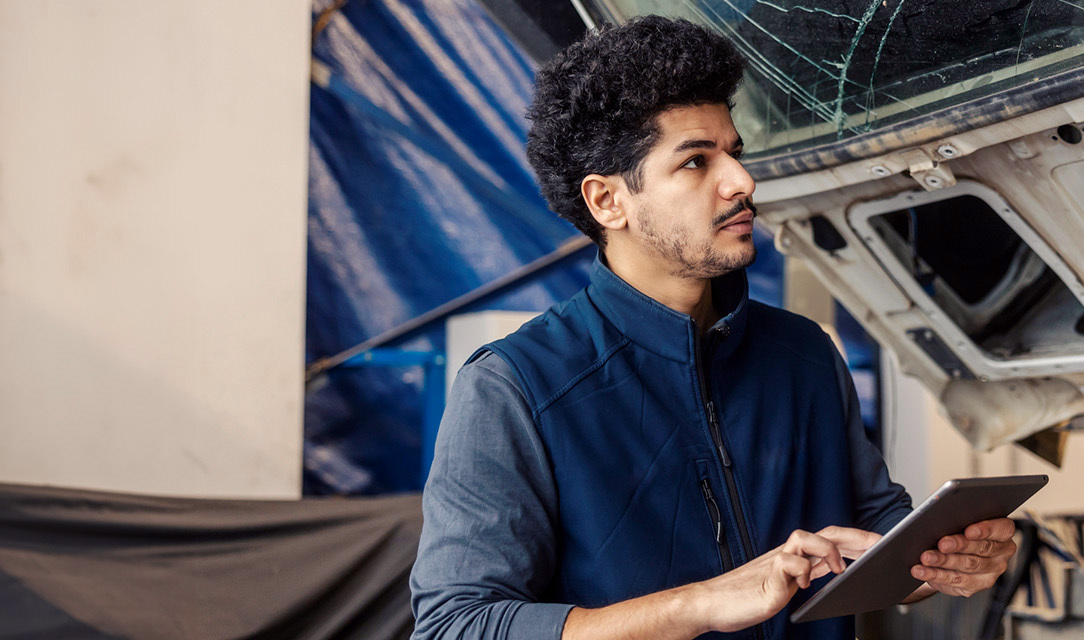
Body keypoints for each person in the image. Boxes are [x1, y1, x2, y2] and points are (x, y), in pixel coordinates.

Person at [409, 15, 1018, 640]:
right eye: (697, 161)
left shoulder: (804, 354)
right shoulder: (517, 387)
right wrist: (701, 604)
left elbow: (881, 543)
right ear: (607, 201)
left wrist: (950, 562)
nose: (742, 182)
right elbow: (457, 625)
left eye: (735, 152)